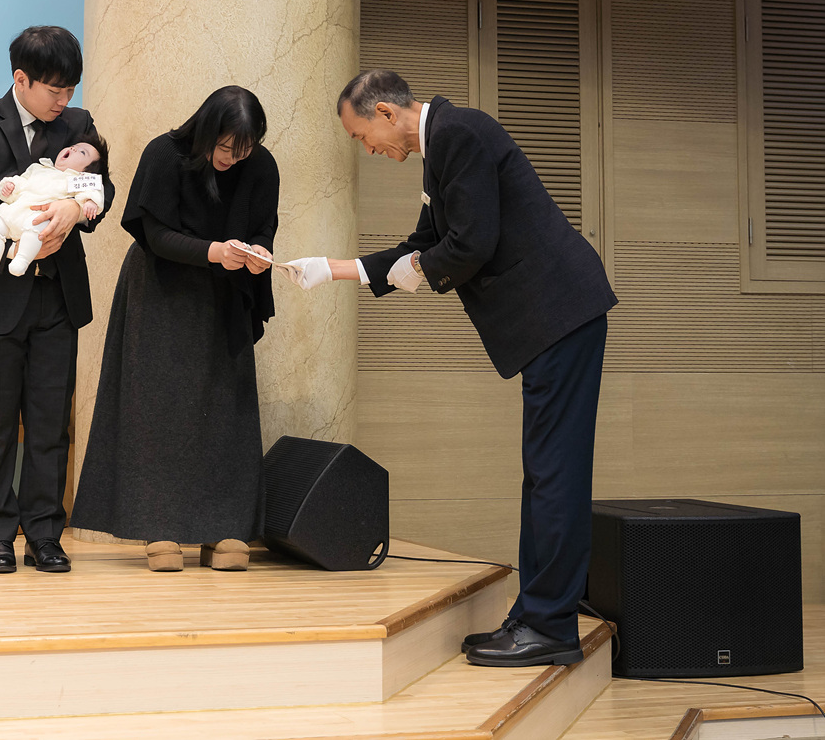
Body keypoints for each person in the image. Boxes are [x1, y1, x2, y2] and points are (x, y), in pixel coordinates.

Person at [285, 69, 616, 667]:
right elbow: (424, 245)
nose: (368, 150)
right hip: (554, 321)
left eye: (362, 137)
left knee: (555, 475)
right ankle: (536, 615)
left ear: (386, 113)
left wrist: (419, 269)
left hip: (561, 314)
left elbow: (469, 244)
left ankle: (551, 627)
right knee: (543, 474)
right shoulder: (442, 147)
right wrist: (332, 268)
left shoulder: (458, 135)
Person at [70, 86, 278, 573]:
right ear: (206, 130)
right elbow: (154, 234)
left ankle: (224, 526)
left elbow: (264, 226)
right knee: (157, 407)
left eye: (243, 150)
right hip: (161, 287)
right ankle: (158, 526)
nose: (232, 159)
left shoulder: (261, 166)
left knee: (225, 407)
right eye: (225, 147)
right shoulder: (164, 154)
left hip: (226, 292)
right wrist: (214, 251)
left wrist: (259, 252)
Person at [0, 26, 115, 575]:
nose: (65, 100)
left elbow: (103, 189)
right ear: (21, 79)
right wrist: (16, 239)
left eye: (71, 89)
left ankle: (45, 535)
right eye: (55, 90)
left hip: (57, 298)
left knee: (49, 422)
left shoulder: (78, 125)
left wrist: (76, 210)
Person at [0, 134, 109, 278]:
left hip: (41, 218)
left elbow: (94, 189)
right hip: (16, 213)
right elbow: (23, 182)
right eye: (74, 146)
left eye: (82, 152)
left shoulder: (75, 179)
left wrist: (90, 202)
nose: (74, 149)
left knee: (35, 226)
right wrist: (11, 187)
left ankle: (22, 259)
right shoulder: (39, 168)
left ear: (86, 172)